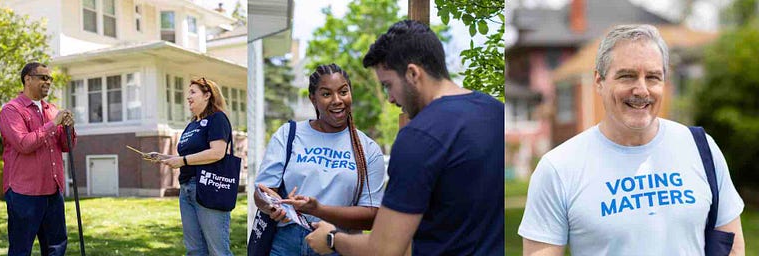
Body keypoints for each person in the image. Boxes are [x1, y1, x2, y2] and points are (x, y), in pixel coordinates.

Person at [519, 24, 745, 256]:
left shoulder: (701, 148)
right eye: (627, 76)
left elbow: (733, 246)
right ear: (599, 81)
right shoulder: (559, 167)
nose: (641, 90)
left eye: (653, 77)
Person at [304, 20, 504, 255]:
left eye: (388, 85)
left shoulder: (419, 136)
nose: (390, 98)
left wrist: (331, 239)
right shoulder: (496, 111)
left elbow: (385, 250)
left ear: (412, 74)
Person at [255, 63, 387, 256]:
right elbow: (262, 192)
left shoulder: (368, 149)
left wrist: (319, 209)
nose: (337, 100)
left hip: (336, 243)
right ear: (313, 99)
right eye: (326, 94)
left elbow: (371, 216)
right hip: (284, 243)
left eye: (343, 92)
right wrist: (270, 205)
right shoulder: (288, 134)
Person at [148, 77, 233, 256]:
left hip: (209, 188)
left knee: (217, 250)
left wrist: (183, 161)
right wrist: (163, 157)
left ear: (207, 95)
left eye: (193, 92)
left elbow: (217, 152)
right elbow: (186, 157)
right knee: (195, 250)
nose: (188, 98)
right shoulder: (192, 125)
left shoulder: (217, 118)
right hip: (186, 189)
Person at [0, 62, 76, 256]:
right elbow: (24, 144)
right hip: (23, 192)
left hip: (53, 191)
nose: (48, 82)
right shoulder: (12, 110)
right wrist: (54, 123)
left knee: (56, 249)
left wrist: (69, 128)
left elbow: (66, 146)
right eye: (43, 77)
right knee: (21, 250)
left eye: (50, 78)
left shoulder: (52, 110)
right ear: (28, 79)